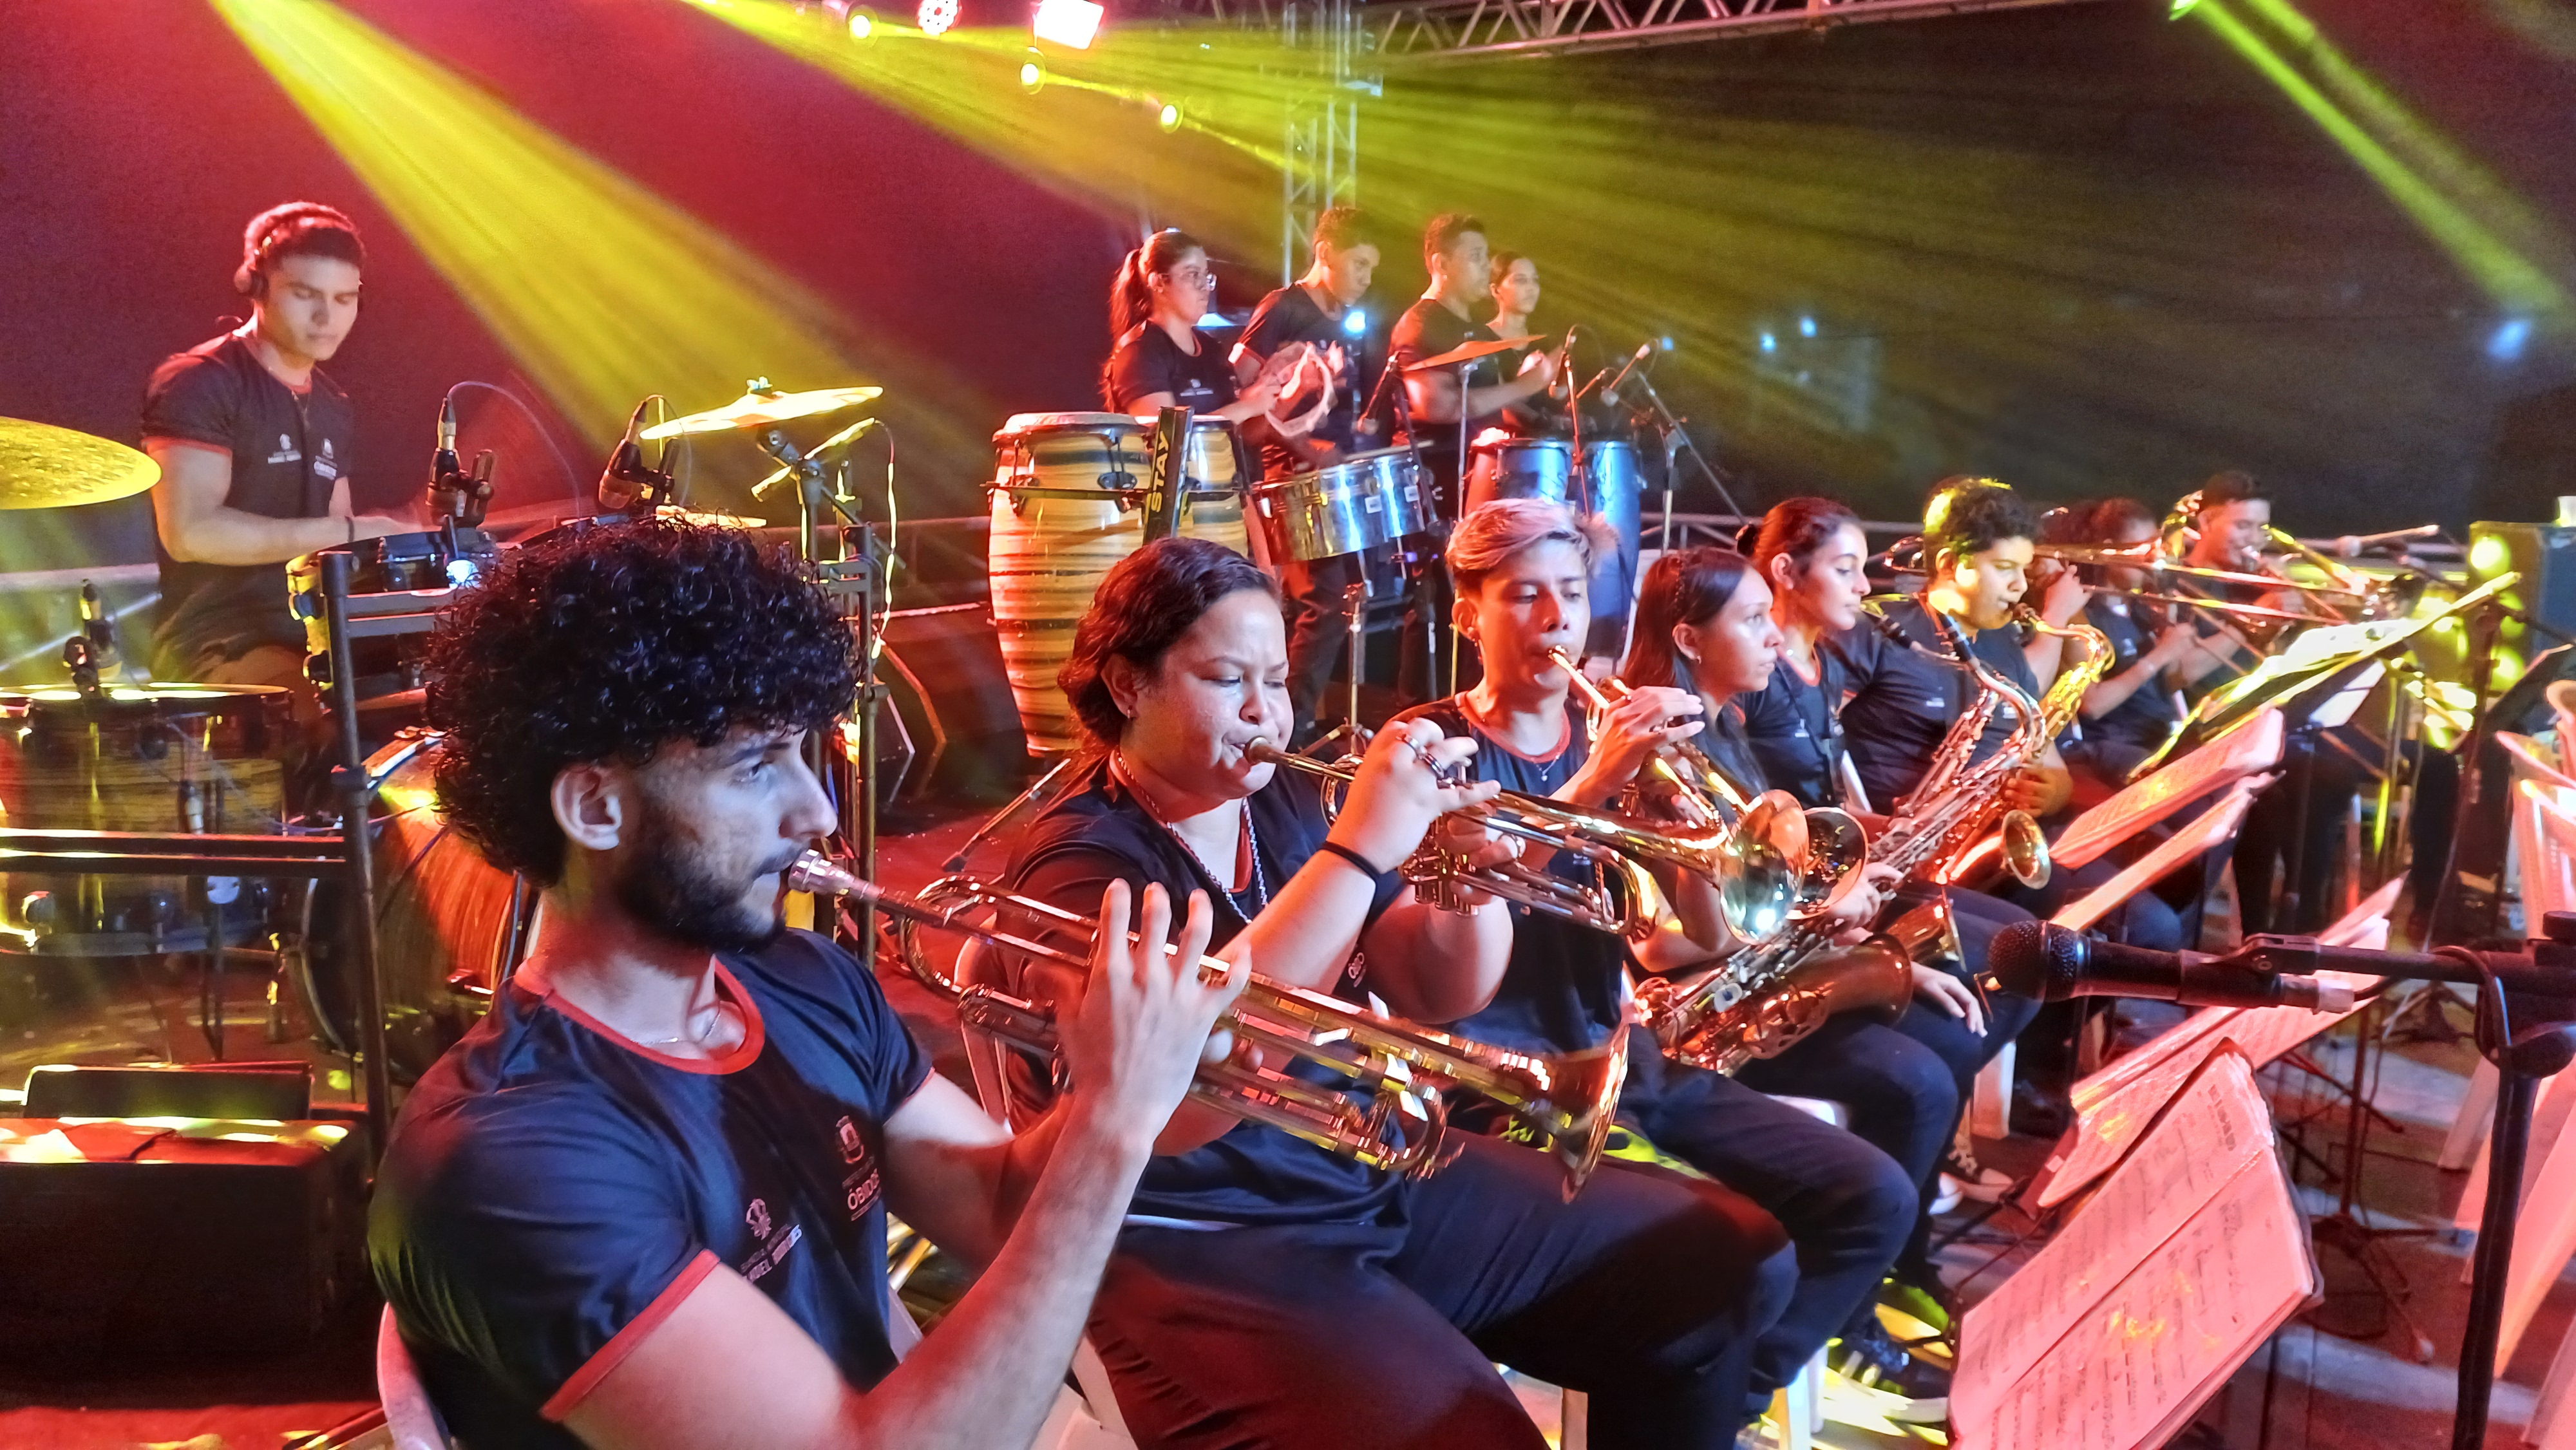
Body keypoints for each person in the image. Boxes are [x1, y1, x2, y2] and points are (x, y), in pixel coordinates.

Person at [368, 522, 1255, 1450]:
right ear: (595, 807)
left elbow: (998, 1212)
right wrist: (1112, 1121)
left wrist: (1147, 1075)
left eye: (804, 752)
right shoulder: (515, 1160)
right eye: (756, 767)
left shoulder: (802, 979)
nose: (818, 810)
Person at [1003, 534, 1799, 1450]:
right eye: (1228, 681)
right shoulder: (1079, 861)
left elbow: (1434, 987)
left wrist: (1465, 883)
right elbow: (1187, 1091)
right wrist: (1358, 850)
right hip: (1201, 1240)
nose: (1267, 712)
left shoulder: (1282, 801)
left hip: (1358, 1167)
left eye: (1276, 678)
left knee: (1727, 1263)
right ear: (1127, 685)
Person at [1392, 500, 1922, 1425]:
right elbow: (1447, 924)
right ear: (1468, 613)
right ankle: (1697, 1394)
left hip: (1624, 1059)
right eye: (1525, 596)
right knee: (1731, 1257)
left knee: (1873, 1195)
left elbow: (1704, 940)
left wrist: (1696, 841)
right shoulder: (1430, 746)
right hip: (1501, 1088)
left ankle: (1732, 1391)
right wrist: (1597, 783)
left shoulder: (1614, 738)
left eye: (1572, 593)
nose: (1558, 621)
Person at [1631, 535, 2028, 1348]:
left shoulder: (1724, 726)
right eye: (1751, 619)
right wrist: (1854, 942)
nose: (1774, 634)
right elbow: (1662, 946)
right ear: (1687, 639)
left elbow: (1765, 882)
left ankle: (1891, 1255)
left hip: (1764, 968)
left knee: (1947, 1042)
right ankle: (1851, 1306)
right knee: (1918, 1081)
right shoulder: (1661, 755)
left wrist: (1848, 923)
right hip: (1710, 1003)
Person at [141, 201, 412, 697]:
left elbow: (334, 547)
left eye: (344, 299)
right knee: (322, 708)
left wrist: (408, 541)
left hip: (314, 632)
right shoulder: (201, 383)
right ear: (257, 287)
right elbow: (190, 532)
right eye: (305, 295)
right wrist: (356, 529)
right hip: (218, 638)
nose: (326, 317)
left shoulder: (334, 404)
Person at [1387, 214, 1560, 701]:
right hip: (1436, 477)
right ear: (1441, 264)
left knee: (1473, 599)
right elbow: (1436, 404)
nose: (1487, 267)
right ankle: (1420, 710)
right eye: (1476, 257)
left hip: (1476, 475)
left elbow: (1486, 401)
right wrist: (1525, 384)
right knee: (1439, 600)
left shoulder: (1468, 327)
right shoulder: (1422, 324)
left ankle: (1472, 703)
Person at [1232, 205, 1387, 739]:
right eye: (1359, 264)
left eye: (1373, 268)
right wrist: (1303, 444)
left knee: (1342, 597)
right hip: (1289, 473)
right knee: (1320, 600)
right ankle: (1288, 724)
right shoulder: (1283, 308)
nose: (1367, 279)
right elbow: (1246, 398)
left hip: (1329, 469)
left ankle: (1305, 715)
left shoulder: (1342, 319)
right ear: (1325, 254)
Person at [1101, 227, 1280, 428]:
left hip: (1223, 459)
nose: (1204, 286)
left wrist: (1286, 383)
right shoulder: (1141, 351)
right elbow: (1164, 439)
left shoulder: (1211, 348)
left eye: (1206, 275)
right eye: (1193, 274)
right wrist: (1246, 407)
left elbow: (1245, 433)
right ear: (1158, 282)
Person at [1483, 251, 1570, 437]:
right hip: (1502, 450)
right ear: (1495, 290)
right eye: (1521, 280)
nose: (1531, 288)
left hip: (1550, 448)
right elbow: (1500, 406)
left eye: (1535, 281)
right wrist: (1542, 420)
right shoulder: (1482, 340)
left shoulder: (1547, 341)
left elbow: (1559, 397)